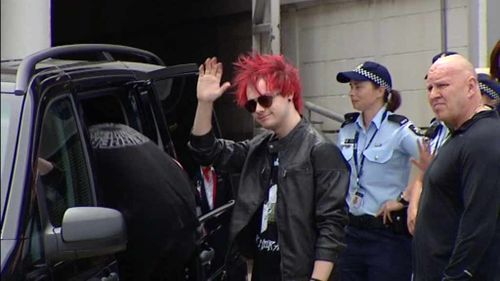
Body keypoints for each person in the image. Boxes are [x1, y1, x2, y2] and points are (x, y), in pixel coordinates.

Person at [188, 55, 350, 281]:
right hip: (262, 269)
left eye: (265, 100)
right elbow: (206, 152)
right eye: (251, 104)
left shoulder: (320, 151)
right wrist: (205, 102)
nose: (258, 110)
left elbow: (332, 226)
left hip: (299, 273)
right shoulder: (259, 148)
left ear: (290, 93)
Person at [413, 54, 500, 281]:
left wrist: (455, 277)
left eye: (442, 86)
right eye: (430, 88)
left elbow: (479, 222)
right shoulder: (461, 136)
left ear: (471, 87)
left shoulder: (483, 139)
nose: (433, 95)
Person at [336, 61, 422, 281]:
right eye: (351, 88)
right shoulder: (347, 129)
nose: (352, 93)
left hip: (385, 235)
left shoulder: (399, 130)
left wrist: (406, 199)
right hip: (351, 232)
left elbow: (436, 162)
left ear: (380, 91)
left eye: (358, 87)